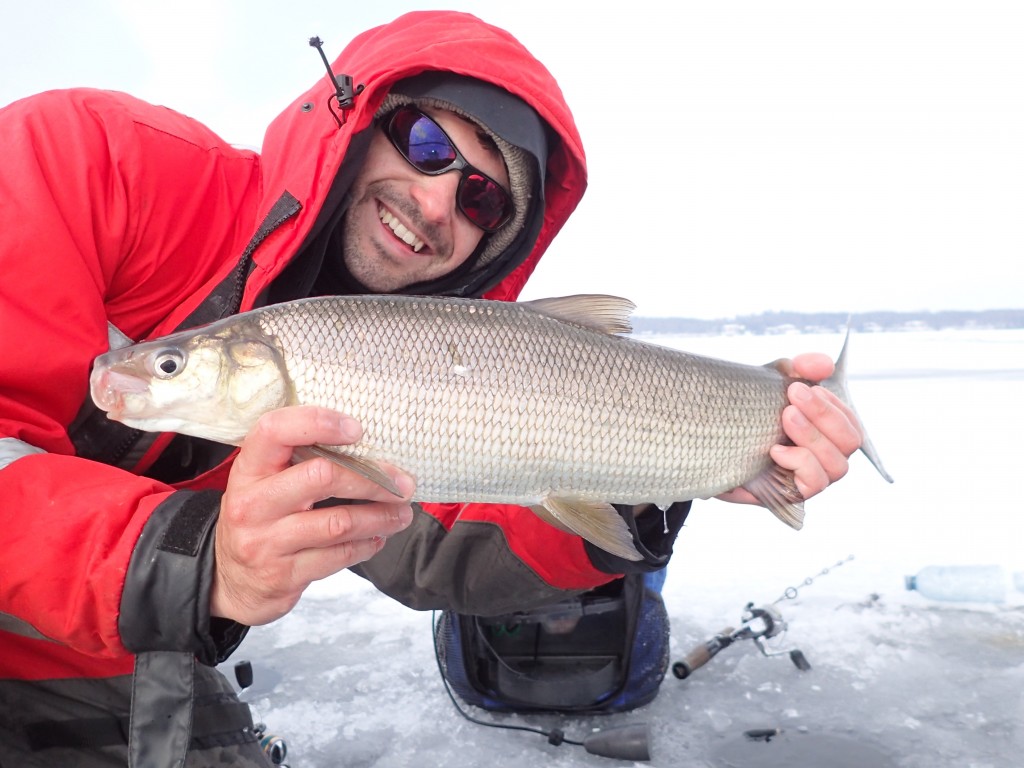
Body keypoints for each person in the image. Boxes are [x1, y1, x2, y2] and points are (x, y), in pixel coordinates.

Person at [0, 10, 863, 767]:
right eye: (427, 144)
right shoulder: (92, 158)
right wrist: (198, 565)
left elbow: (435, 542)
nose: (437, 199)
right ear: (359, 116)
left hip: (113, 655)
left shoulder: (424, 354)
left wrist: (672, 476)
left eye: (484, 198)